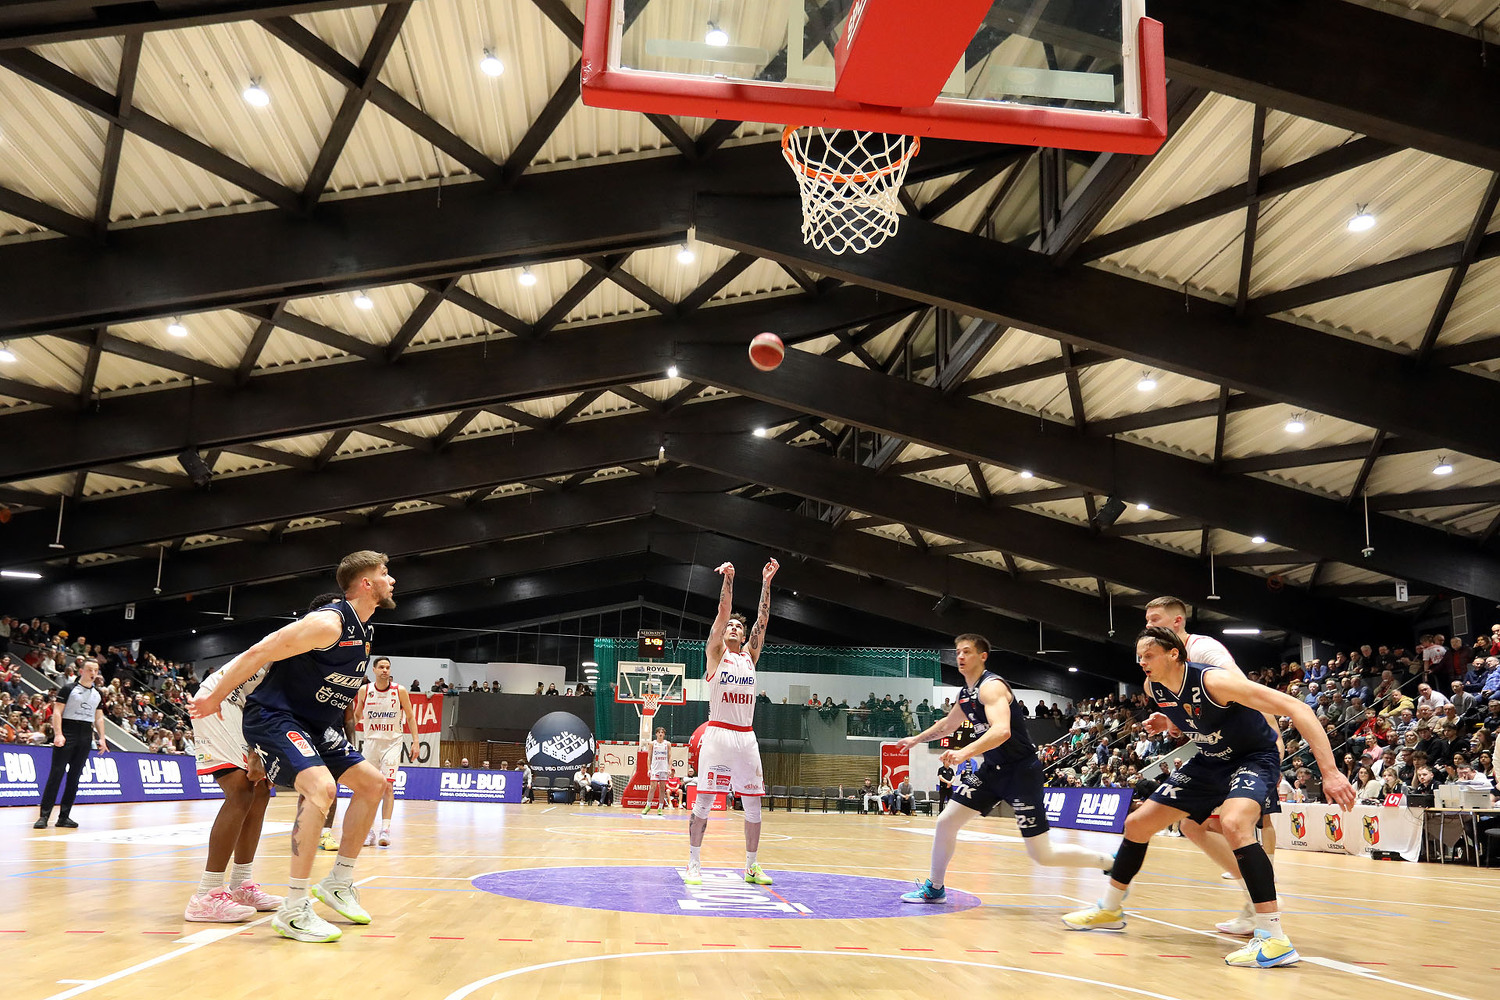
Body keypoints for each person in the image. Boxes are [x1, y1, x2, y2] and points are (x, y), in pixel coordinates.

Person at [1062, 627, 1355, 969]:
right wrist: (1168, 722)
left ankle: (1274, 938)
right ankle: (1110, 909)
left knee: (1234, 824)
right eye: (1139, 656)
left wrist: (1330, 772)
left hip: (1253, 757)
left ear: (1173, 654)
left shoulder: (1214, 681)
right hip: (1210, 760)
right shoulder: (1153, 687)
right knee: (1137, 824)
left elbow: (1296, 707)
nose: (1142, 662)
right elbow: (1192, 716)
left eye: (1149, 655)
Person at [190, 551, 394, 944]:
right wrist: (214, 700)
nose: (393, 579)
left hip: (293, 717)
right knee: (246, 791)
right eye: (386, 573)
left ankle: (256, 884)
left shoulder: (362, 632)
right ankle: (212, 894)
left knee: (366, 784)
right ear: (364, 584)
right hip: (229, 702)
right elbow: (257, 657)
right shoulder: (324, 626)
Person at [898, 634, 1113, 904]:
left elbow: (1001, 731)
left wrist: (964, 752)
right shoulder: (965, 694)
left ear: (983, 656)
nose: (960, 656)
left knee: (1042, 854)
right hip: (991, 771)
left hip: (1021, 772)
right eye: (958, 651)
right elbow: (948, 725)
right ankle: (935, 888)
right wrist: (916, 739)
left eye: (967, 651)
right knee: (945, 822)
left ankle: (1108, 861)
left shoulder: (992, 687)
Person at [1143, 595, 1284, 936]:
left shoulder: (1204, 650)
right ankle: (1253, 899)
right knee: (1193, 825)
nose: (1148, 625)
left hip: (1254, 747)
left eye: (1155, 619)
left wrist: (1275, 745)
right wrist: (1170, 720)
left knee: (1248, 823)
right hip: (1220, 751)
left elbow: (1244, 693)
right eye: (1146, 620)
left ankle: (1266, 908)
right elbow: (1198, 711)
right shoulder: (1164, 666)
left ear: (1177, 622)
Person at [184, 629, 298, 921]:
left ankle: (241, 884)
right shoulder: (301, 639)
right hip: (220, 700)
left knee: (259, 792)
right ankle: (205, 895)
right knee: (240, 790)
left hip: (245, 710)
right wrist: (257, 750)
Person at [685, 558, 778, 886]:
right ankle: (693, 862)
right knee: (705, 802)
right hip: (718, 735)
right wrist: (729, 579)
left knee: (753, 807)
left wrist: (766, 583)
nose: (735, 628)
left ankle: (751, 866)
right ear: (723, 633)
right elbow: (723, 612)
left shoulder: (749, 656)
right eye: (731, 626)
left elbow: (763, 620)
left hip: (746, 738)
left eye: (740, 626)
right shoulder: (716, 653)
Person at [353, 656, 420, 848]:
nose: (385, 670)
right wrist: (345, 733)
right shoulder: (365, 690)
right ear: (374, 670)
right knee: (368, 788)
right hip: (371, 743)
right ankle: (368, 831)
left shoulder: (399, 690)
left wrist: (416, 742)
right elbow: (357, 715)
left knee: (388, 786)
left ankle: (385, 829)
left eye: (387, 667)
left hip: (392, 742)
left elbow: (410, 717)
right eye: (381, 667)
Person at [33, 660, 108, 829]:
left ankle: (64, 817)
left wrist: (102, 738)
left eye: (95, 670)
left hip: (85, 734)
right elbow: (57, 712)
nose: (93, 673)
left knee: (75, 777)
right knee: (56, 774)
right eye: (89, 670)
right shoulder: (68, 689)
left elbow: (99, 718)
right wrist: (59, 734)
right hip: (68, 730)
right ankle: (44, 816)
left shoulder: (98, 693)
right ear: (81, 671)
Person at [642, 726, 672, 816]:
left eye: (662, 732)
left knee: (662, 788)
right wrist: (649, 769)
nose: (660, 734)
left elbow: (670, 757)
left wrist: (669, 768)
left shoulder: (667, 744)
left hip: (664, 769)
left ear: (664, 734)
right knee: (652, 787)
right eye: (659, 732)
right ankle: (648, 805)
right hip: (655, 769)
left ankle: (660, 807)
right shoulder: (652, 743)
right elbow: (649, 757)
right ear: (656, 734)